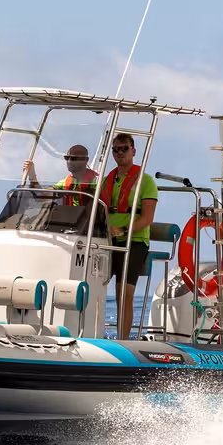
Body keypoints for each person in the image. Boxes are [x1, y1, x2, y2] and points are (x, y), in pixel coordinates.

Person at [99, 132, 159, 340]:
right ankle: (94, 333)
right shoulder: (108, 179)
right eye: (116, 149)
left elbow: (147, 219)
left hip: (134, 241)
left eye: (124, 148)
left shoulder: (146, 180)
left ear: (133, 151)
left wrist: (122, 230)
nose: (119, 153)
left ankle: (123, 340)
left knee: (124, 292)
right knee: (95, 286)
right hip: (108, 240)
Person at [21, 144, 98, 191]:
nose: (69, 161)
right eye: (67, 158)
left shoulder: (97, 181)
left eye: (74, 158)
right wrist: (32, 176)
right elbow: (43, 195)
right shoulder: (64, 183)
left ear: (86, 160)